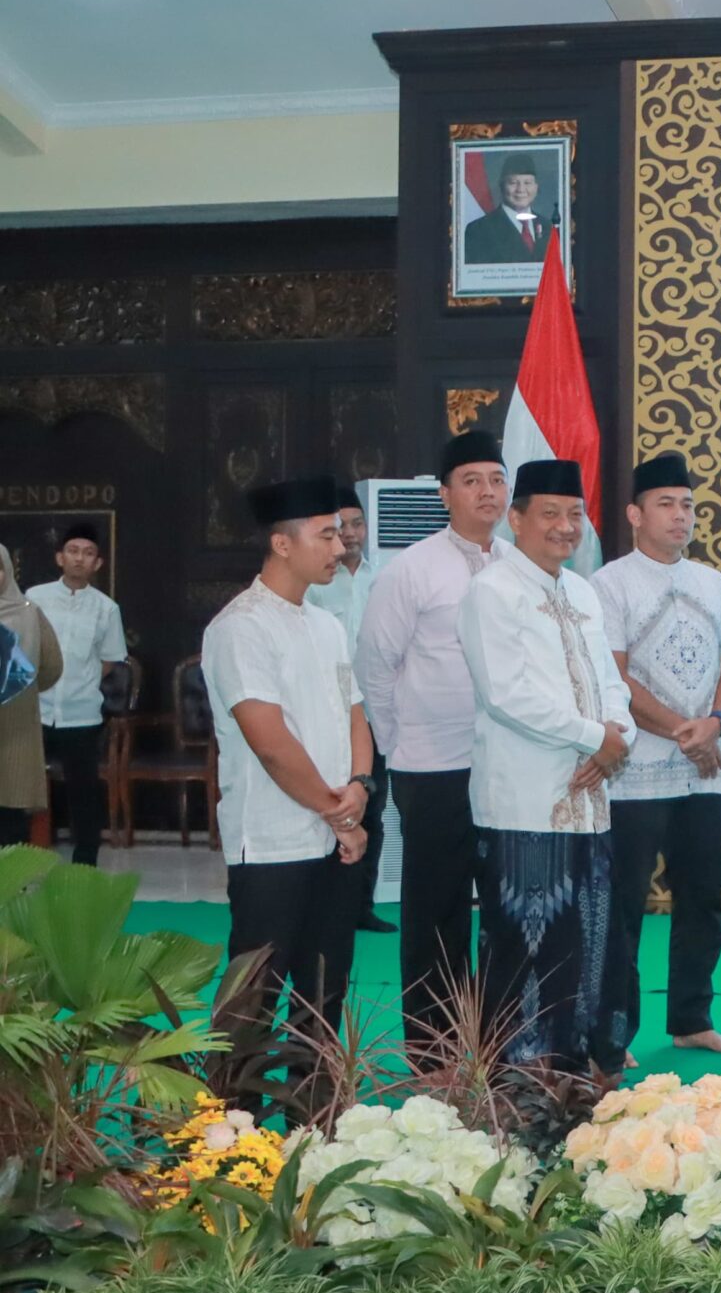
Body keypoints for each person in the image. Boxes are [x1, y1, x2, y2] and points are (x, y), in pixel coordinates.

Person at [458, 458, 632, 1069]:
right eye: (550, 514)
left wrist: (618, 735)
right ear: (516, 519)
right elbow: (505, 696)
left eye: (575, 514)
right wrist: (595, 738)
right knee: (526, 949)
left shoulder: (581, 590)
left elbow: (610, 681)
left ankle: (582, 1074)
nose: (565, 527)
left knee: (590, 945)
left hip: (590, 803)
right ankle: (519, 1087)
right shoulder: (491, 592)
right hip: (524, 805)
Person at [202, 475, 372, 1079]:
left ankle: (312, 1114)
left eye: (340, 533)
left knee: (323, 993)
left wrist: (360, 787)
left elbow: (355, 713)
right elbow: (271, 744)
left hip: (334, 835)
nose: (340, 547)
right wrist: (339, 813)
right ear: (282, 544)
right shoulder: (239, 627)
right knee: (253, 998)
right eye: (326, 535)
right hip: (271, 840)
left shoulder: (325, 624)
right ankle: (230, 1121)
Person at [357, 430, 510, 1043]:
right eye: (471, 481)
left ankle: (499, 1039)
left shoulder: (521, 566)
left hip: (506, 766)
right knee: (436, 910)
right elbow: (375, 664)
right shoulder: (410, 569)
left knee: (505, 906)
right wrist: (399, 745)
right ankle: (436, 1047)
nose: (487, 492)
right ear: (445, 495)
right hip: (431, 767)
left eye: (496, 480)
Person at [592, 452, 721, 1057]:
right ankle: (617, 1032)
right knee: (624, 906)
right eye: (666, 504)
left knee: (703, 901)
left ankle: (692, 1020)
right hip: (634, 772)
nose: (680, 515)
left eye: (687, 505)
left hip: (706, 772)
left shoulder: (714, 583)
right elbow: (615, 678)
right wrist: (688, 731)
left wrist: (715, 723)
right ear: (635, 514)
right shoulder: (609, 584)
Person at [307, 484, 392, 933]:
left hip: (377, 716)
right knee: (330, 807)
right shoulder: (317, 584)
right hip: (330, 716)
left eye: (358, 524)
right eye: (342, 527)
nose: (351, 534)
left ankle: (362, 905)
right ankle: (328, 904)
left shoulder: (386, 577)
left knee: (372, 812)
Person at [29, 523, 125, 865]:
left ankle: (83, 870)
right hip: (35, 711)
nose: (79, 559)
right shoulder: (35, 598)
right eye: (73, 551)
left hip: (81, 714)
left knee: (84, 796)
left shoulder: (106, 608)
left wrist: (80, 681)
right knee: (17, 792)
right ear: (60, 557)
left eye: (88, 553)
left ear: (97, 563)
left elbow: (109, 659)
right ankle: (12, 867)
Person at [0, 549, 63, 847]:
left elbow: (52, 666)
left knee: (13, 811)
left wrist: (20, 693)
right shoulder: (29, 613)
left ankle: (13, 875)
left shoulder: (29, 613)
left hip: (17, 726)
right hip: (19, 714)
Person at [463, 153, 553, 264]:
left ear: (536, 187)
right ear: (502, 186)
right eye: (513, 183)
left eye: (527, 183)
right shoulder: (479, 230)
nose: (521, 189)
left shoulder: (548, 227)